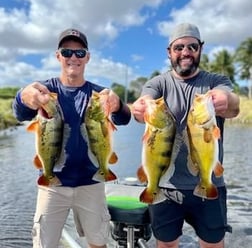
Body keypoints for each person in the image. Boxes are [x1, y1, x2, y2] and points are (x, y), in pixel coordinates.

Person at [12, 28, 131, 248]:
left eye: (79, 52)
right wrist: (22, 97)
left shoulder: (99, 95)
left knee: (98, 242)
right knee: (44, 244)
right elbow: (19, 114)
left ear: (87, 56)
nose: (73, 57)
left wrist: (118, 104)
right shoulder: (44, 91)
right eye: (67, 52)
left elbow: (124, 119)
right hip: (52, 184)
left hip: (92, 183)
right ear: (58, 56)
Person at [132, 23, 240, 248]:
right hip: (165, 185)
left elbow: (233, 106)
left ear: (200, 48)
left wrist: (226, 100)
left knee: (212, 244)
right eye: (179, 47)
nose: (185, 52)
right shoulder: (158, 83)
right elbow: (145, 102)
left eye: (192, 46)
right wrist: (141, 108)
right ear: (169, 51)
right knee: (167, 244)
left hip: (210, 180)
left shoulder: (215, 81)